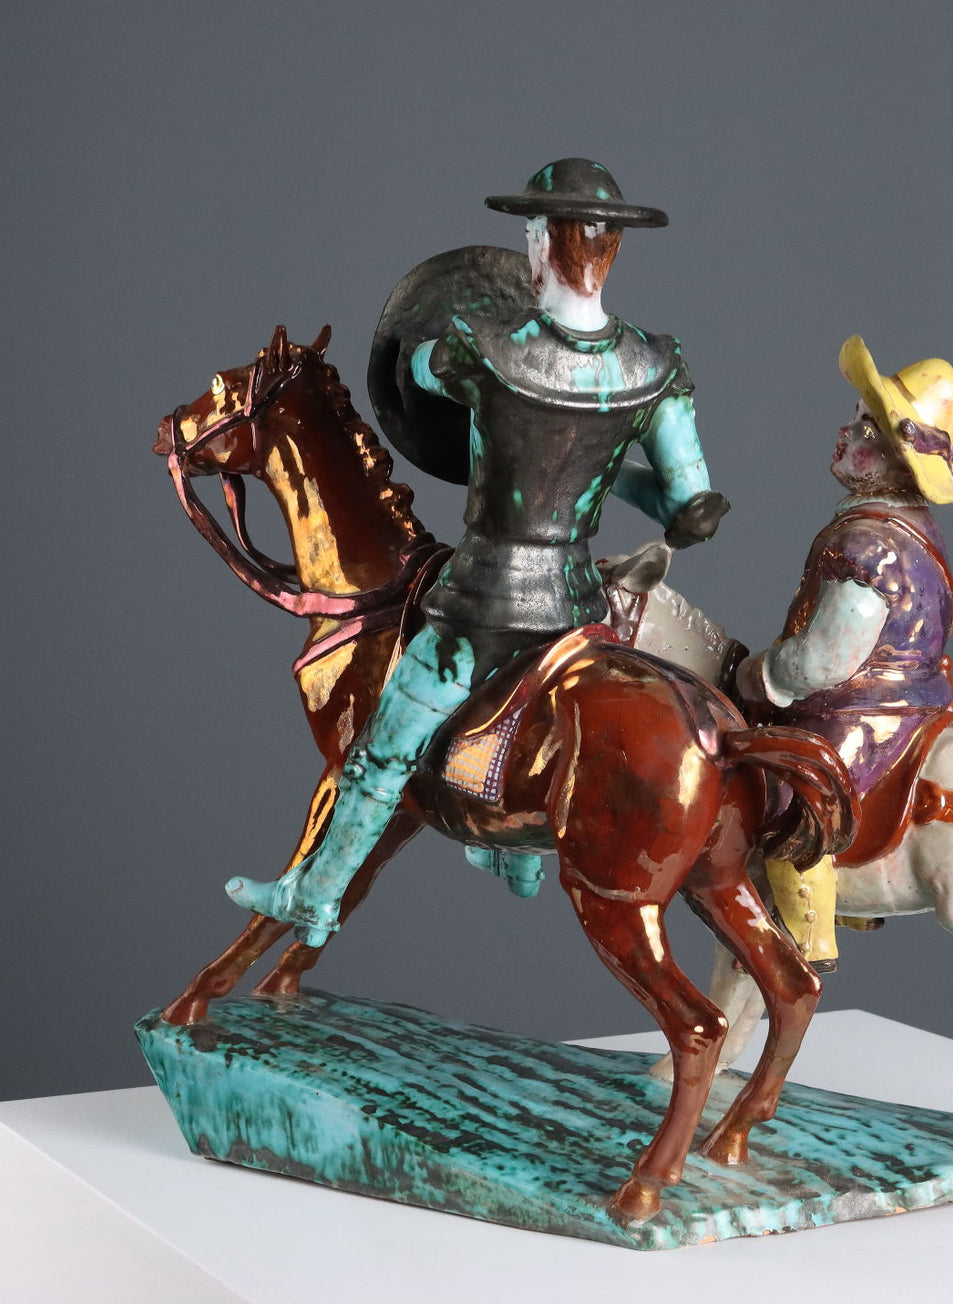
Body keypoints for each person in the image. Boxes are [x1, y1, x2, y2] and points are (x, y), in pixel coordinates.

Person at [229, 159, 729, 943]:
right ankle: (514, 854)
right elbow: (686, 503)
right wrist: (606, 468)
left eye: (532, 234)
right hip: (581, 607)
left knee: (383, 749)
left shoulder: (478, 345)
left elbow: (409, 369)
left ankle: (316, 897)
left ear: (543, 245)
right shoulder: (657, 365)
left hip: (485, 602)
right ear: (611, 250)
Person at [737, 335, 953, 969]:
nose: (844, 432)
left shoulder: (867, 544)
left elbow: (826, 661)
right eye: (854, 417)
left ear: (899, 461)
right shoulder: (914, 528)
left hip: (864, 708)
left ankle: (804, 941)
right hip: (923, 698)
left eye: (865, 428)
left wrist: (760, 673)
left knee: (794, 802)